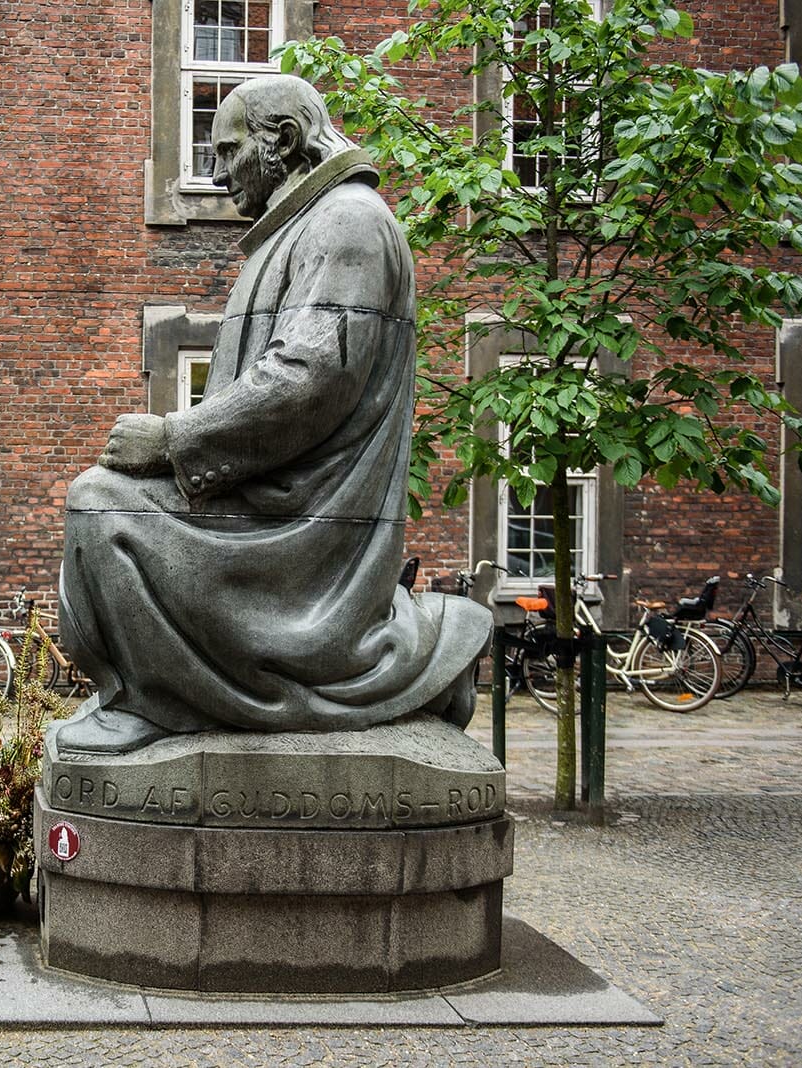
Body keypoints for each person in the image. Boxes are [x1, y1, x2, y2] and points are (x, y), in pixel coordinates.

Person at [55, 75, 491, 753]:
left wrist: (174, 439)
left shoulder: (349, 222)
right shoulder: (306, 227)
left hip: (303, 526)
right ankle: (155, 697)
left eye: (228, 151)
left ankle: (162, 701)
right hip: (274, 500)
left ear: (282, 142)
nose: (216, 171)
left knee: (103, 509)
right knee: (105, 501)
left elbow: (308, 381)